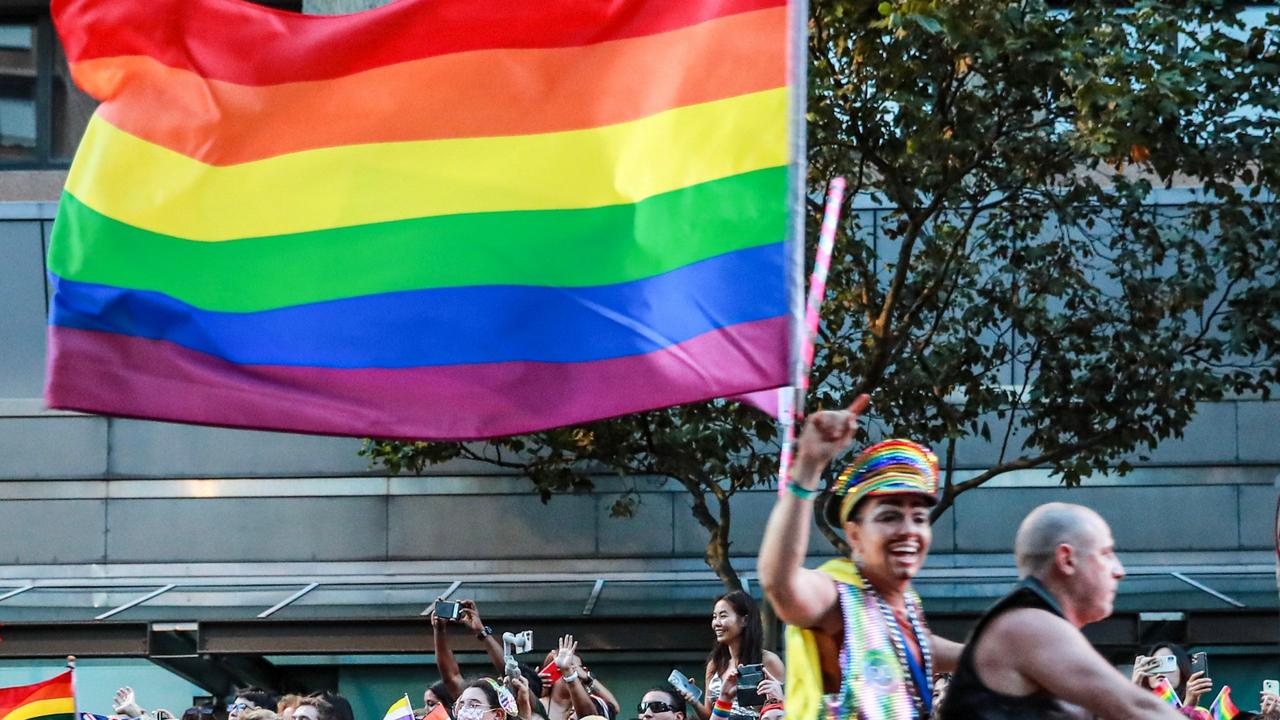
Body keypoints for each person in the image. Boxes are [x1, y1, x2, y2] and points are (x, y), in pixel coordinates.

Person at [757, 396, 962, 720]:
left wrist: (990, 653)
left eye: (919, 518)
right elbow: (780, 583)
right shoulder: (839, 595)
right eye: (889, 517)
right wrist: (808, 466)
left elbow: (916, 647)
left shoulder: (904, 603)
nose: (909, 531)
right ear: (854, 535)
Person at [936, 502, 1184, 719]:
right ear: (1066, 559)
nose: (1119, 570)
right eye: (1106, 553)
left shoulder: (1033, 624)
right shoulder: (1029, 626)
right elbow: (1137, 708)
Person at [679, 591, 784, 720]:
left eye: (723, 616)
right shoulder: (715, 664)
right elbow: (709, 716)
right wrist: (694, 701)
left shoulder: (769, 661)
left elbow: (782, 708)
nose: (716, 623)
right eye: (714, 617)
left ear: (745, 620)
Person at [1131, 643, 1213, 708]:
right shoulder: (1139, 709)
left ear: (1182, 669)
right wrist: (1132, 690)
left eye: (1168, 664)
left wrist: (1189, 706)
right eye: (1155, 664)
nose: (1161, 672)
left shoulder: (1200, 713)